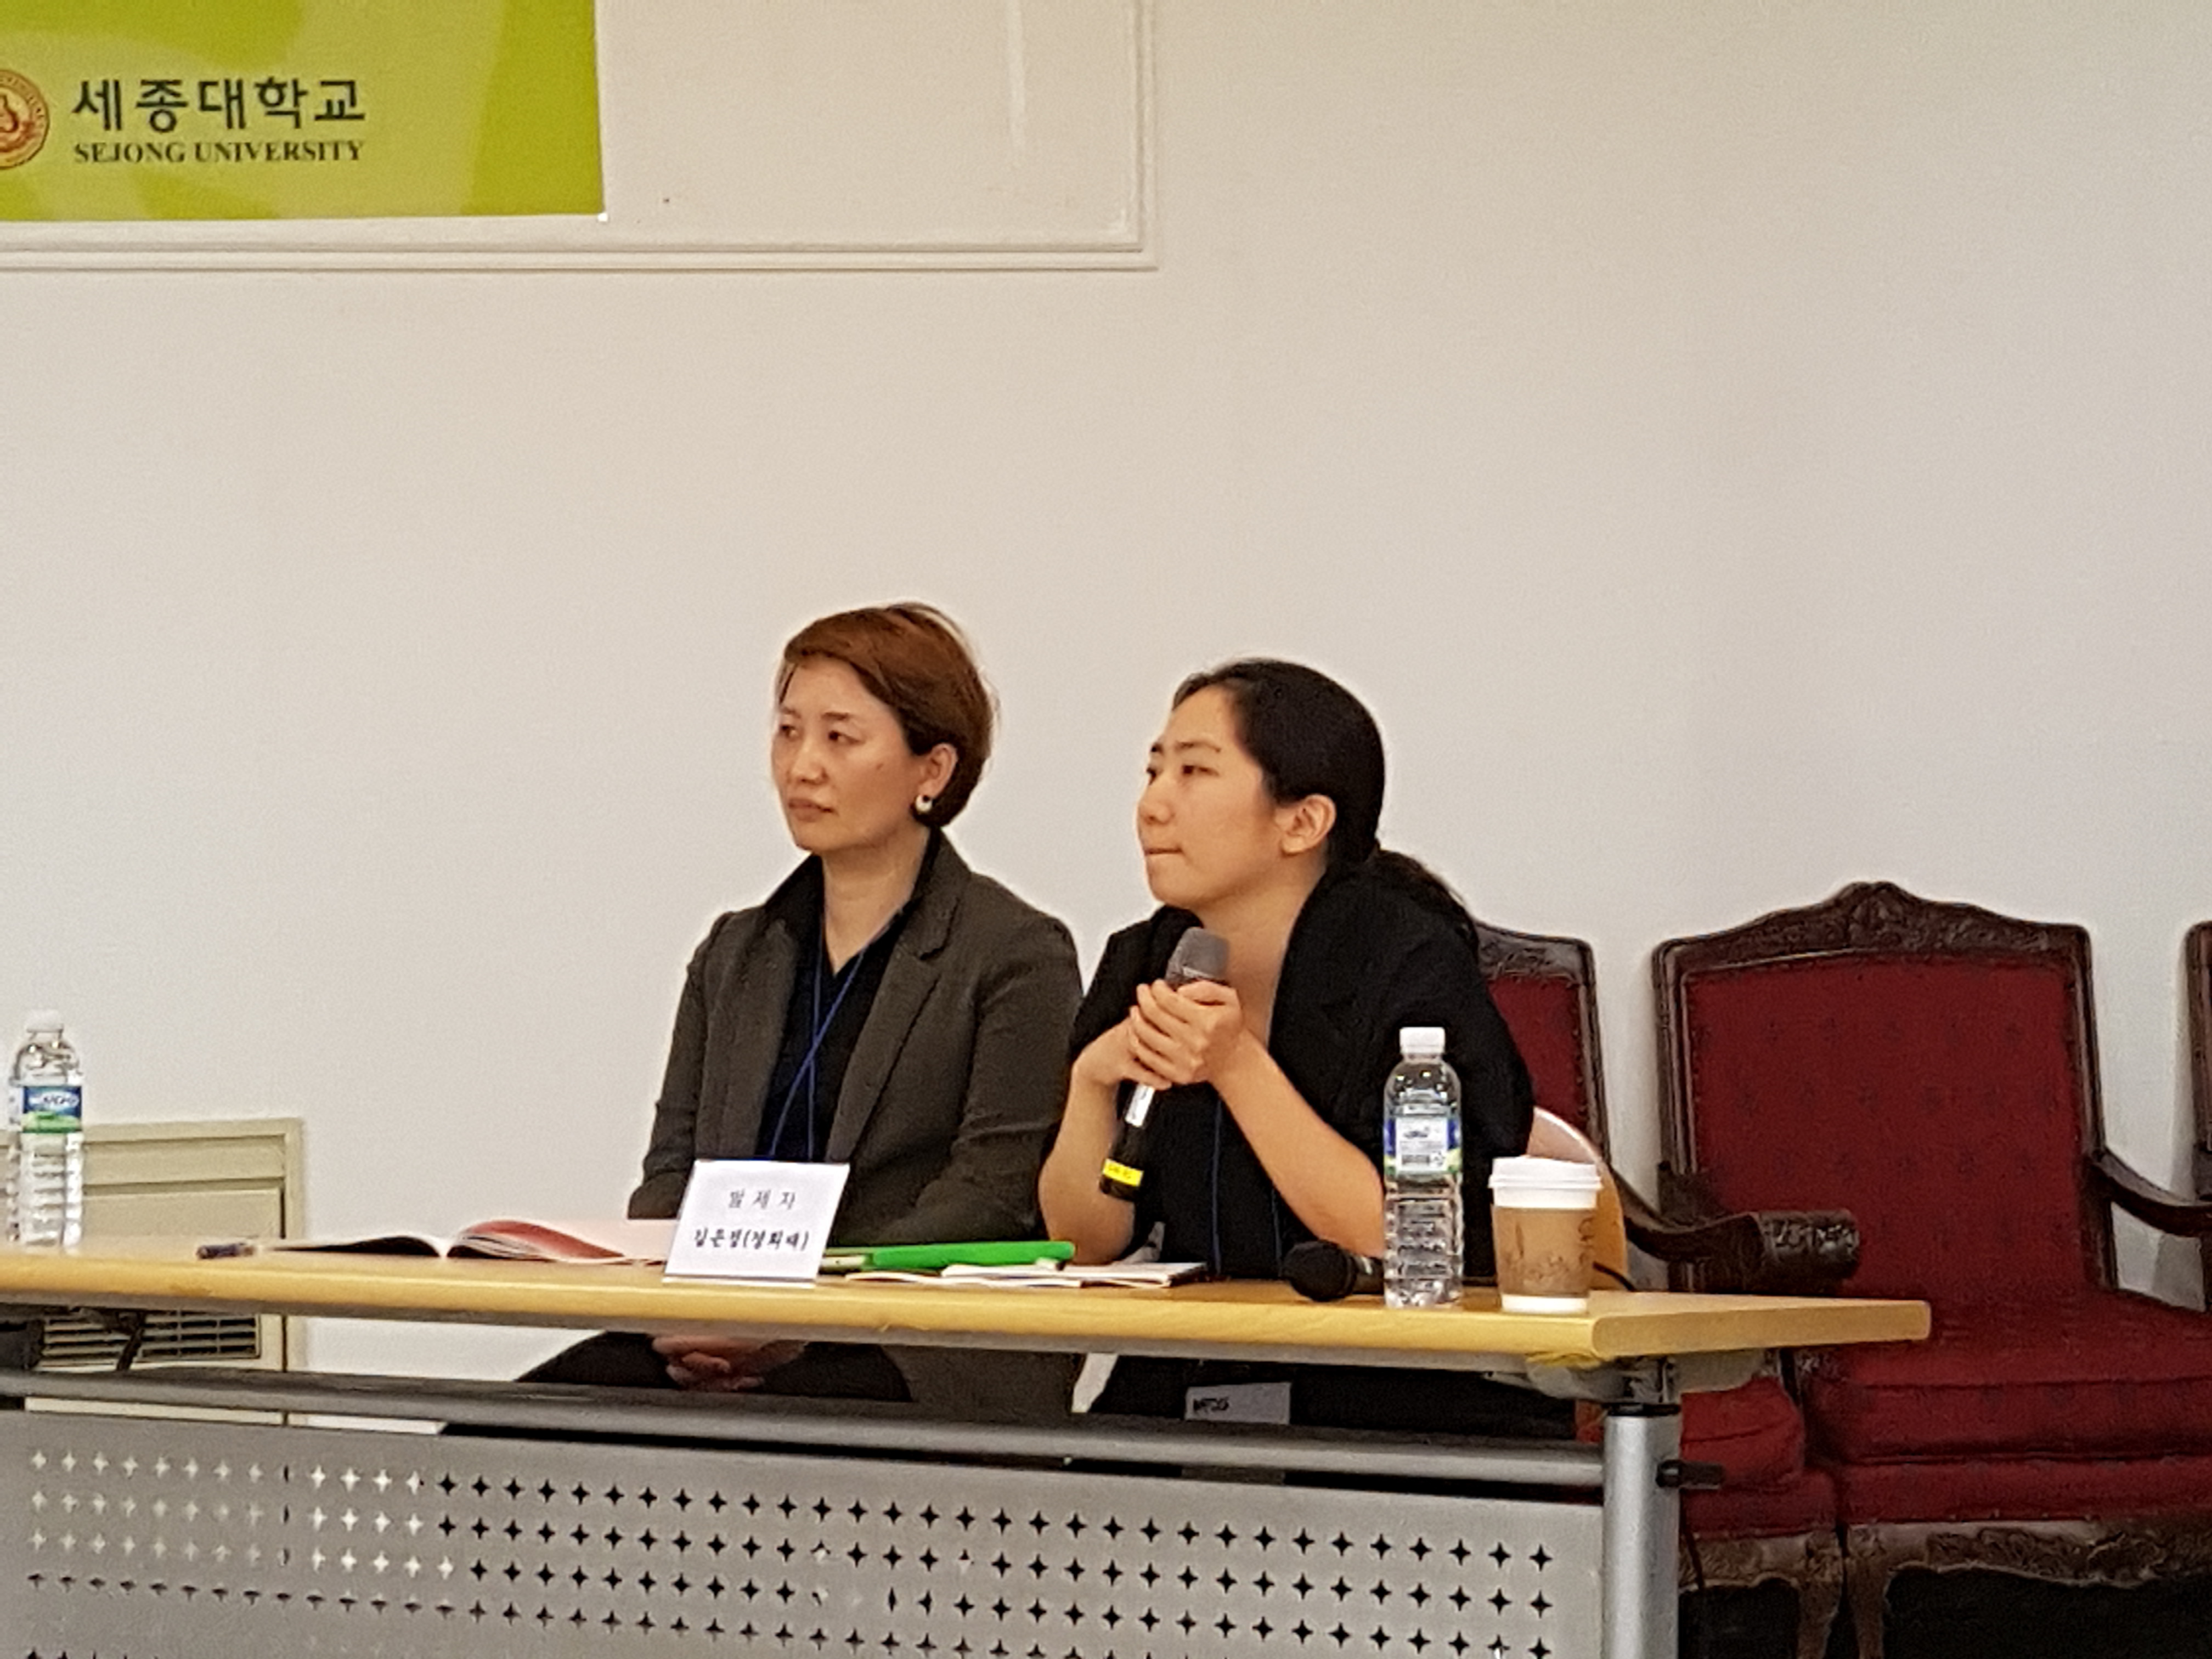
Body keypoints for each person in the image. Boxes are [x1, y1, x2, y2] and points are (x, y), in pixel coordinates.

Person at [534, 603, 1081, 1415]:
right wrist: (685, 1313)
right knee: (489, 1447)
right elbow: (671, 1175)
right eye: (788, 732)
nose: (803, 766)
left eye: (840, 737)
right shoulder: (736, 952)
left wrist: (802, 1311)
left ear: (932, 770)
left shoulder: (1014, 953)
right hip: (718, 1318)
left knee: (779, 1431)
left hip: (916, 1340)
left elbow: (990, 1196)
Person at [1038, 658, 1560, 1434]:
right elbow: (1084, 1245)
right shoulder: (1145, 959)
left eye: (1194, 772)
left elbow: (1403, 1237)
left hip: (1392, 1388)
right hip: (1201, 1366)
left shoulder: (1406, 963)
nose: (1152, 806)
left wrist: (1237, 1065)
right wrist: (1091, 1082)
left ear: (1303, 822)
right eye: (1153, 771)